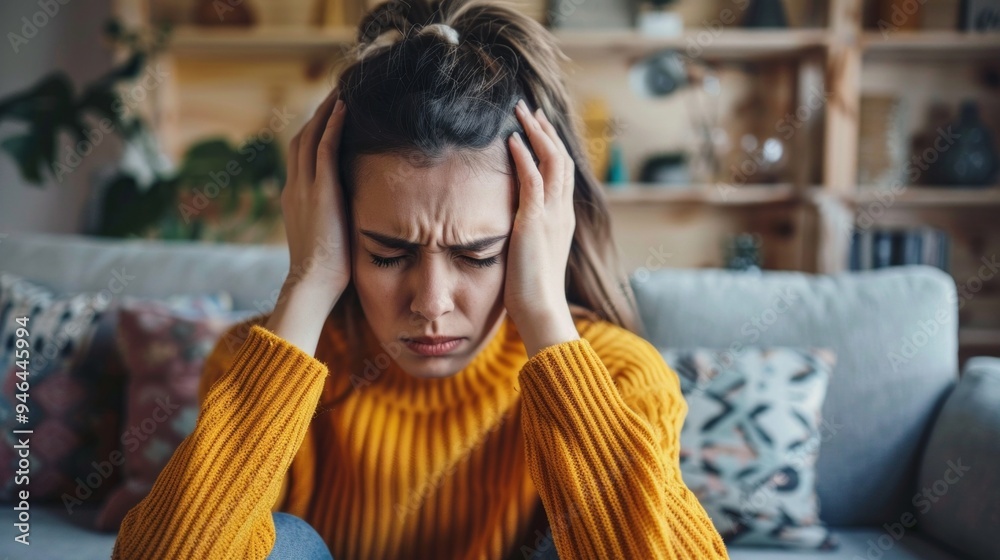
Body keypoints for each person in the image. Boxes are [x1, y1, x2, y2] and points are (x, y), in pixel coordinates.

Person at [110, 0, 729, 558]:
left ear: (536, 237)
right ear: (333, 227)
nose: (431, 304)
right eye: (387, 253)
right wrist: (306, 283)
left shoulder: (621, 376)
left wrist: (543, 313)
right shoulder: (260, 364)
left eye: (479, 255)